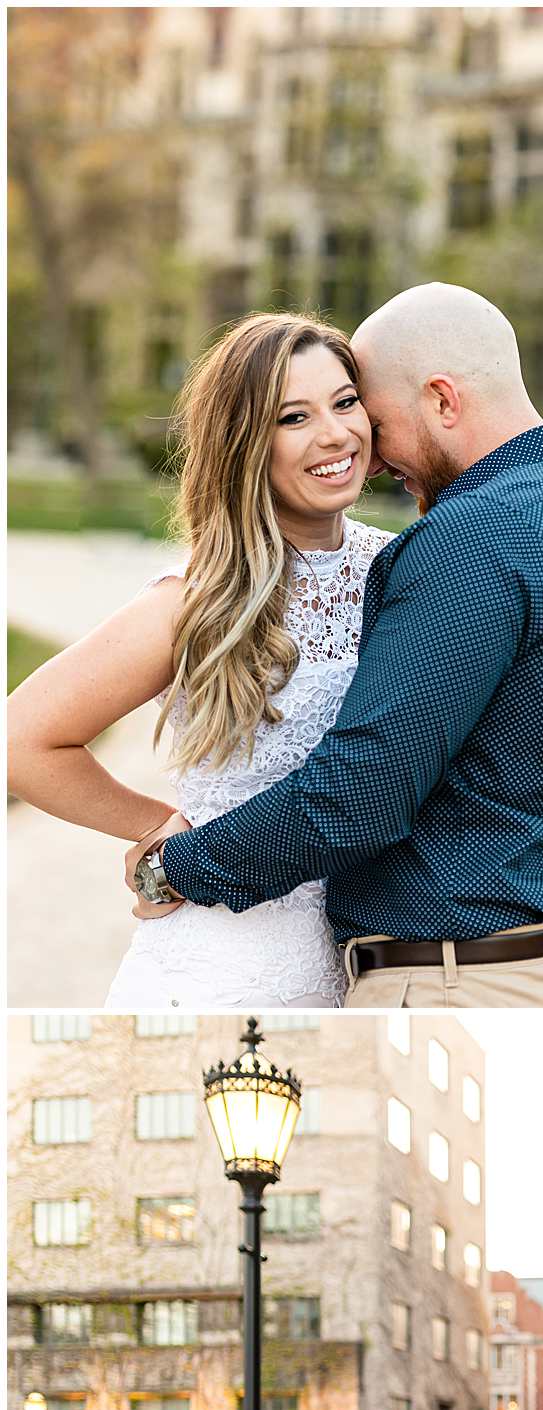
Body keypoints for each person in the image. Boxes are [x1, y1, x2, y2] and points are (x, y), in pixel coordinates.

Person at [123, 282, 543, 1010]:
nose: (373, 458)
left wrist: (180, 867)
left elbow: (359, 797)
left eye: (371, 416)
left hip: (457, 981)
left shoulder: (476, 537)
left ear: (443, 399)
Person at [7, 313, 394, 1009]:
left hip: (370, 968)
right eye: (293, 417)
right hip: (222, 967)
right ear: (245, 443)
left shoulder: (400, 570)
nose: (336, 434)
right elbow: (22, 740)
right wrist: (156, 828)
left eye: (344, 403)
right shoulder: (195, 599)